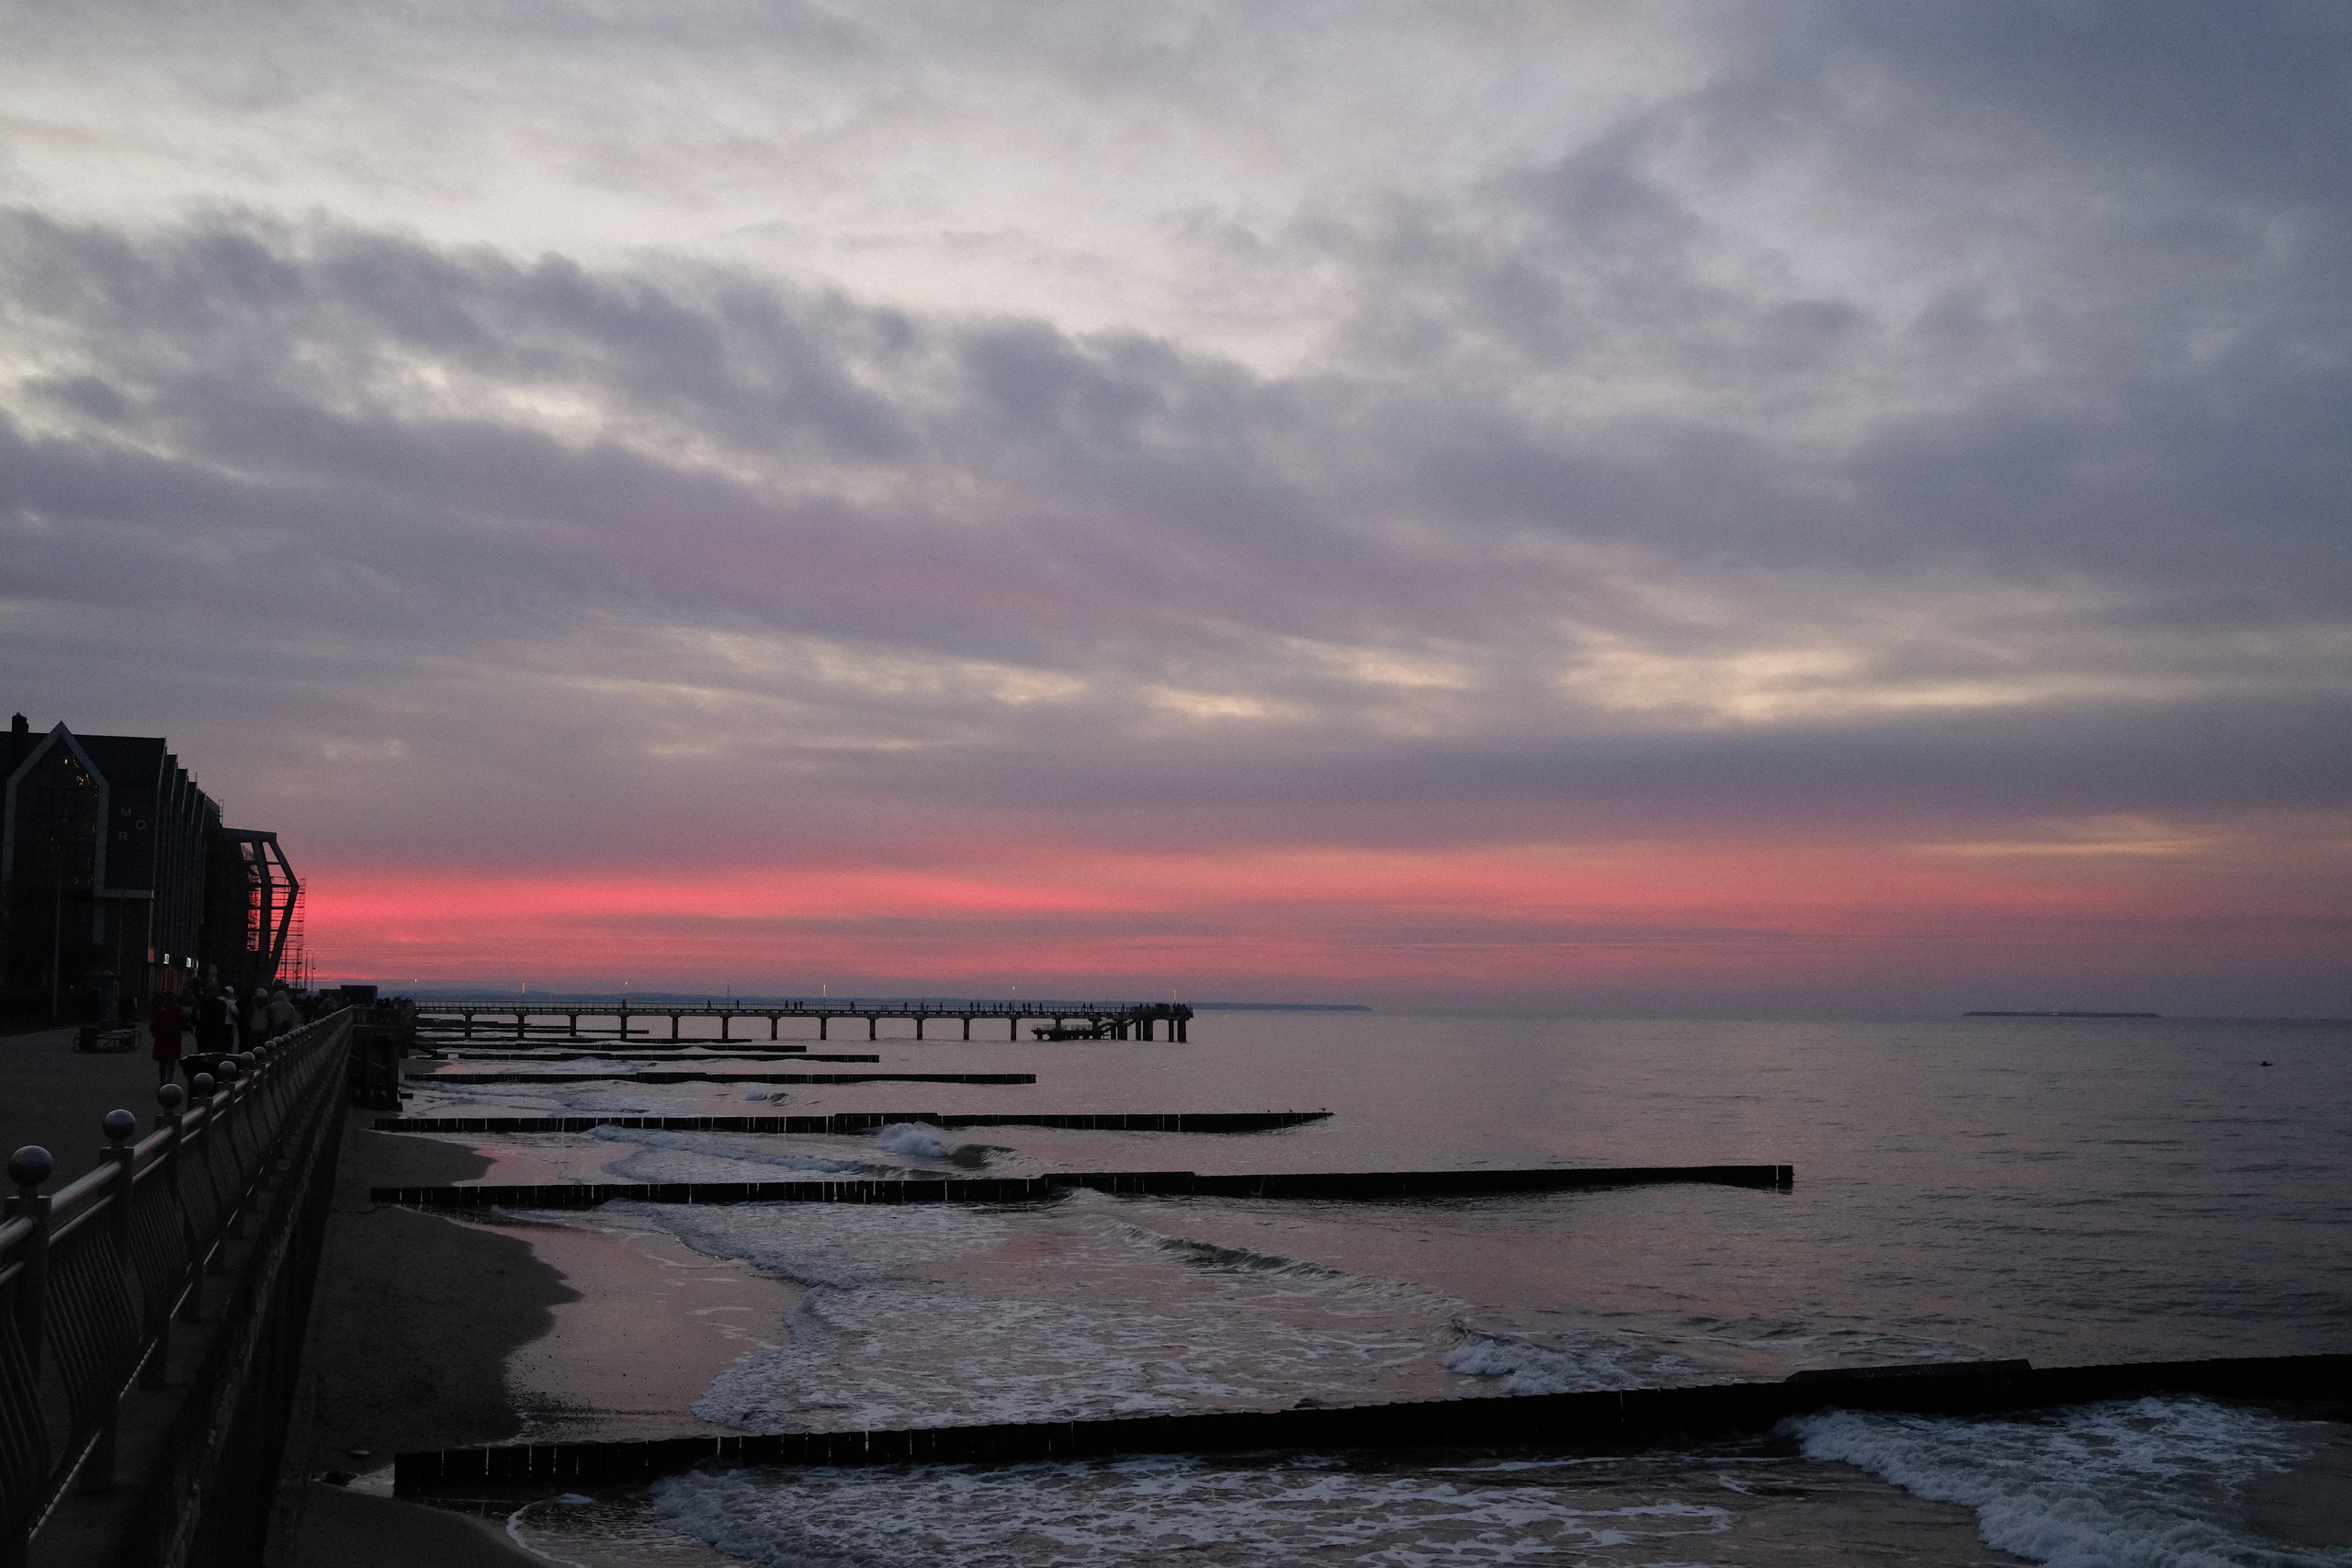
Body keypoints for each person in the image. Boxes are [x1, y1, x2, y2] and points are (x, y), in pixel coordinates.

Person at [148, 987, 187, 1085]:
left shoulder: (174, 1013)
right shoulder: (166, 1013)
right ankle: (165, 1081)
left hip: (169, 1041)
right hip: (166, 1041)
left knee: (168, 1063)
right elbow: (154, 1026)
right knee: (165, 1063)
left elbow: (182, 1025)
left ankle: (167, 1082)